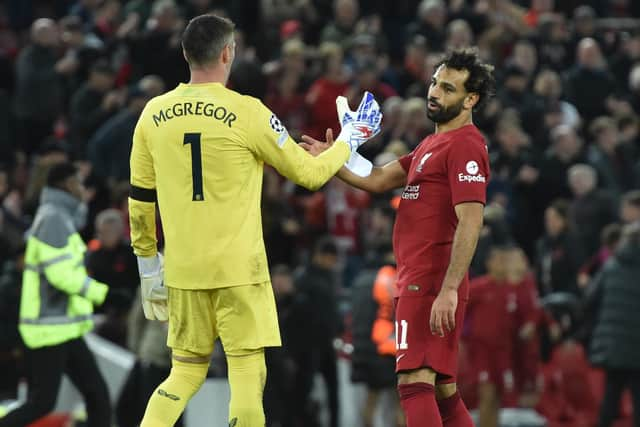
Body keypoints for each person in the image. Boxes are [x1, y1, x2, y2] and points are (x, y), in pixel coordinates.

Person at [127, 14, 381, 427]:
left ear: (186, 54)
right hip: (238, 271)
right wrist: (350, 139)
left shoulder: (153, 115)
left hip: (183, 270)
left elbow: (140, 199)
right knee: (247, 372)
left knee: (184, 372)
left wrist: (147, 266)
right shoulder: (247, 113)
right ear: (228, 53)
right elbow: (310, 175)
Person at [302, 48, 495, 427]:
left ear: (470, 100)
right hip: (423, 279)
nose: (435, 92)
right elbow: (376, 178)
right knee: (443, 391)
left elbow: (471, 221)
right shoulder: (429, 145)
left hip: (431, 281)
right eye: (435, 83)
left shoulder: (465, 146)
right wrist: (332, 158)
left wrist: (449, 288)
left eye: (449, 88)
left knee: (413, 382)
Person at [0, 162, 111, 427]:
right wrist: (101, 293)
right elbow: (59, 275)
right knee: (43, 402)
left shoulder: (59, 216)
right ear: (67, 184)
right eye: (79, 182)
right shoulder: (52, 218)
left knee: (97, 397)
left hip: (63, 327)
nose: (83, 189)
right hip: (49, 329)